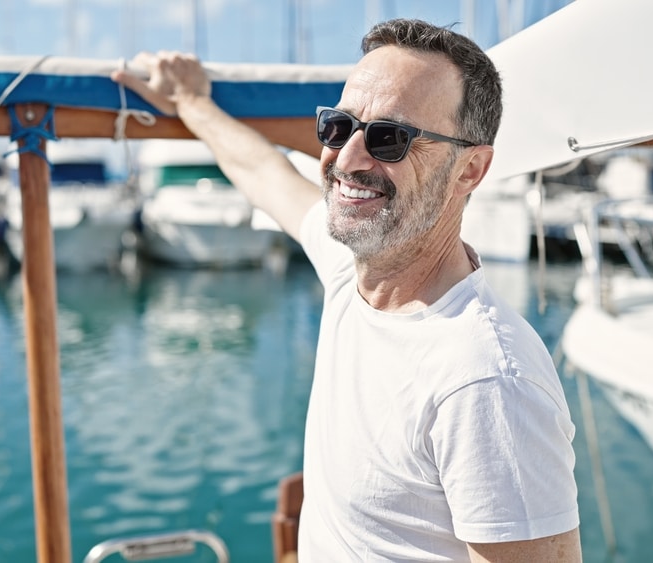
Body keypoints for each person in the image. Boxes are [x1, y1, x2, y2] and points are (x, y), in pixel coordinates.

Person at [112, 18, 582, 563]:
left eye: (390, 138)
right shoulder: (352, 273)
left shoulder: (485, 378)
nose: (348, 159)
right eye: (338, 127)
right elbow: (263, 172)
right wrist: (192, 103)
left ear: (469, 170)